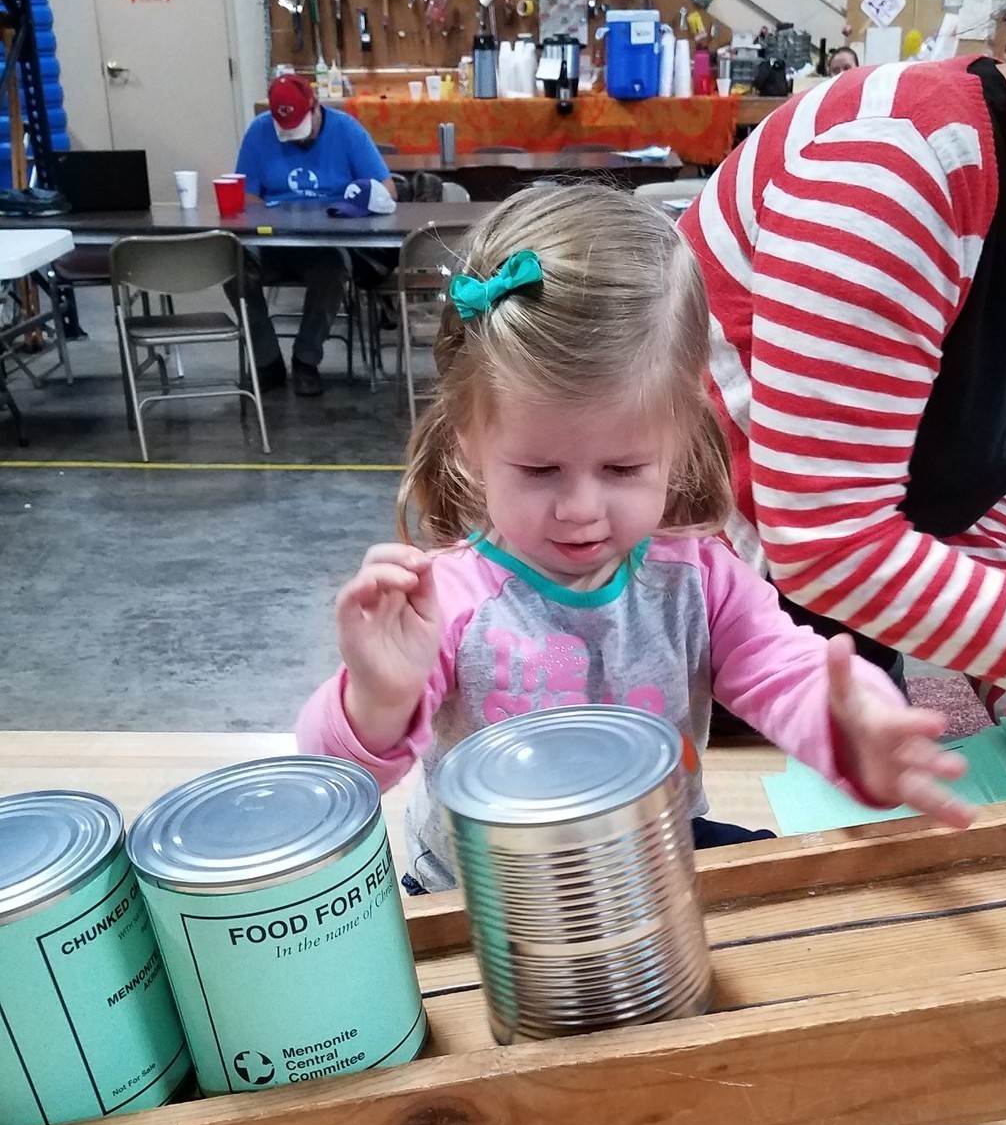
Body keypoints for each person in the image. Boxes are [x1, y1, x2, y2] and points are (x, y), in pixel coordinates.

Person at [296, 187, 969, 893]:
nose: (580, 510)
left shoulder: (700, 579)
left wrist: (850, 726)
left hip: (651, 861)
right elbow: (336, 781)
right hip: (485, 900)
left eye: (622, 468)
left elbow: (783, 668)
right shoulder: (448, 605)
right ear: (467, 445)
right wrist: (375, 697)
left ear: (678, 442)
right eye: (538, 469)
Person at [682, 0, 1006, 727]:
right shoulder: (895, 168)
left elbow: (991, 518)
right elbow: (828, 545)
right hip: (684, 629)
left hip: (832, 636)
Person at [233, 74, 396, 398]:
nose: (296, 140)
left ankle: (306, 359)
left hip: (325, 243)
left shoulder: (346, 130)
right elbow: (247, 197)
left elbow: (387, 189)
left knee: (332, 268)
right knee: (230, 267)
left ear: (315, 107)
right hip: (272, 242)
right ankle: (267, 360)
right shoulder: (259, 132)